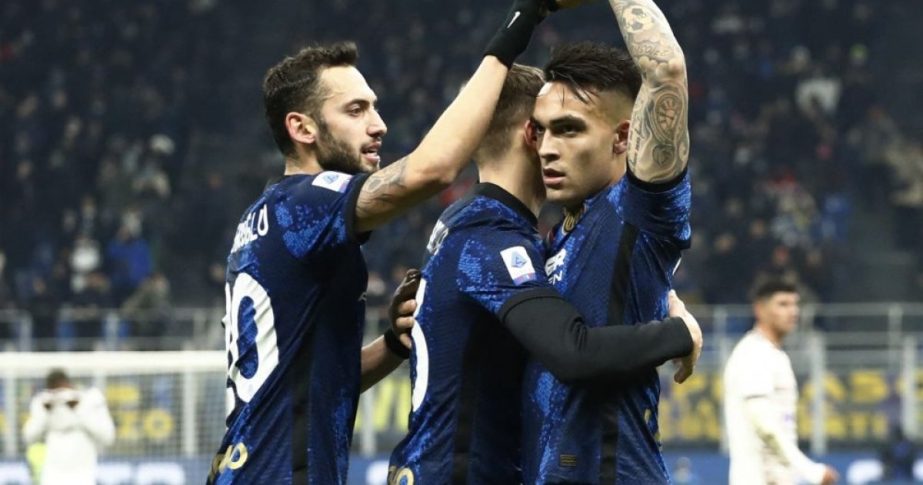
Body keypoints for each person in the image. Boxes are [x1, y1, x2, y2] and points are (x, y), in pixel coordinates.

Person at [208, 0, 554, 482]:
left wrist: (392, 343)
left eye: (374, 106)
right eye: (356, 110)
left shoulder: (265, 217)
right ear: (301, 128)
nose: (379, 124)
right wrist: (518, 27)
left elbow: (324, 383)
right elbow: (431, 170)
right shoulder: (304, 204)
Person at [387, 65, 702, 483]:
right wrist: (680, 334)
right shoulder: (493, 236)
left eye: (568, 130)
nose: (557, 146)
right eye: (551, 129)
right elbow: (573, 350)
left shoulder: (472, 223)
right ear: (530, 135)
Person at [522, 0, 695, 481]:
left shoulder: (637, 211)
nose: (548, 148)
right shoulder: (553, 238)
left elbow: (667, 72)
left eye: (569, 130)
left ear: (624, 138)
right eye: (542, 132)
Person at [723, 279, 838, 485]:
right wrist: (810, 470)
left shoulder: (775, 355)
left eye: (795, 304)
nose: (793, 311)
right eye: (783, 304)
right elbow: (763, 423)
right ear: (759, 309)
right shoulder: (753, 353)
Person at [22, 369, 115, 485]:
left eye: (61, 388)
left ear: (69, 385)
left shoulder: (90, 400)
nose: (60, 394)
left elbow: (108, 437)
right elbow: (29, 437)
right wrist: (45, 413)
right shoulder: (43, 403)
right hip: (52, 475)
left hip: (83, 474)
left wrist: (79, 408)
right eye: (55, 390)